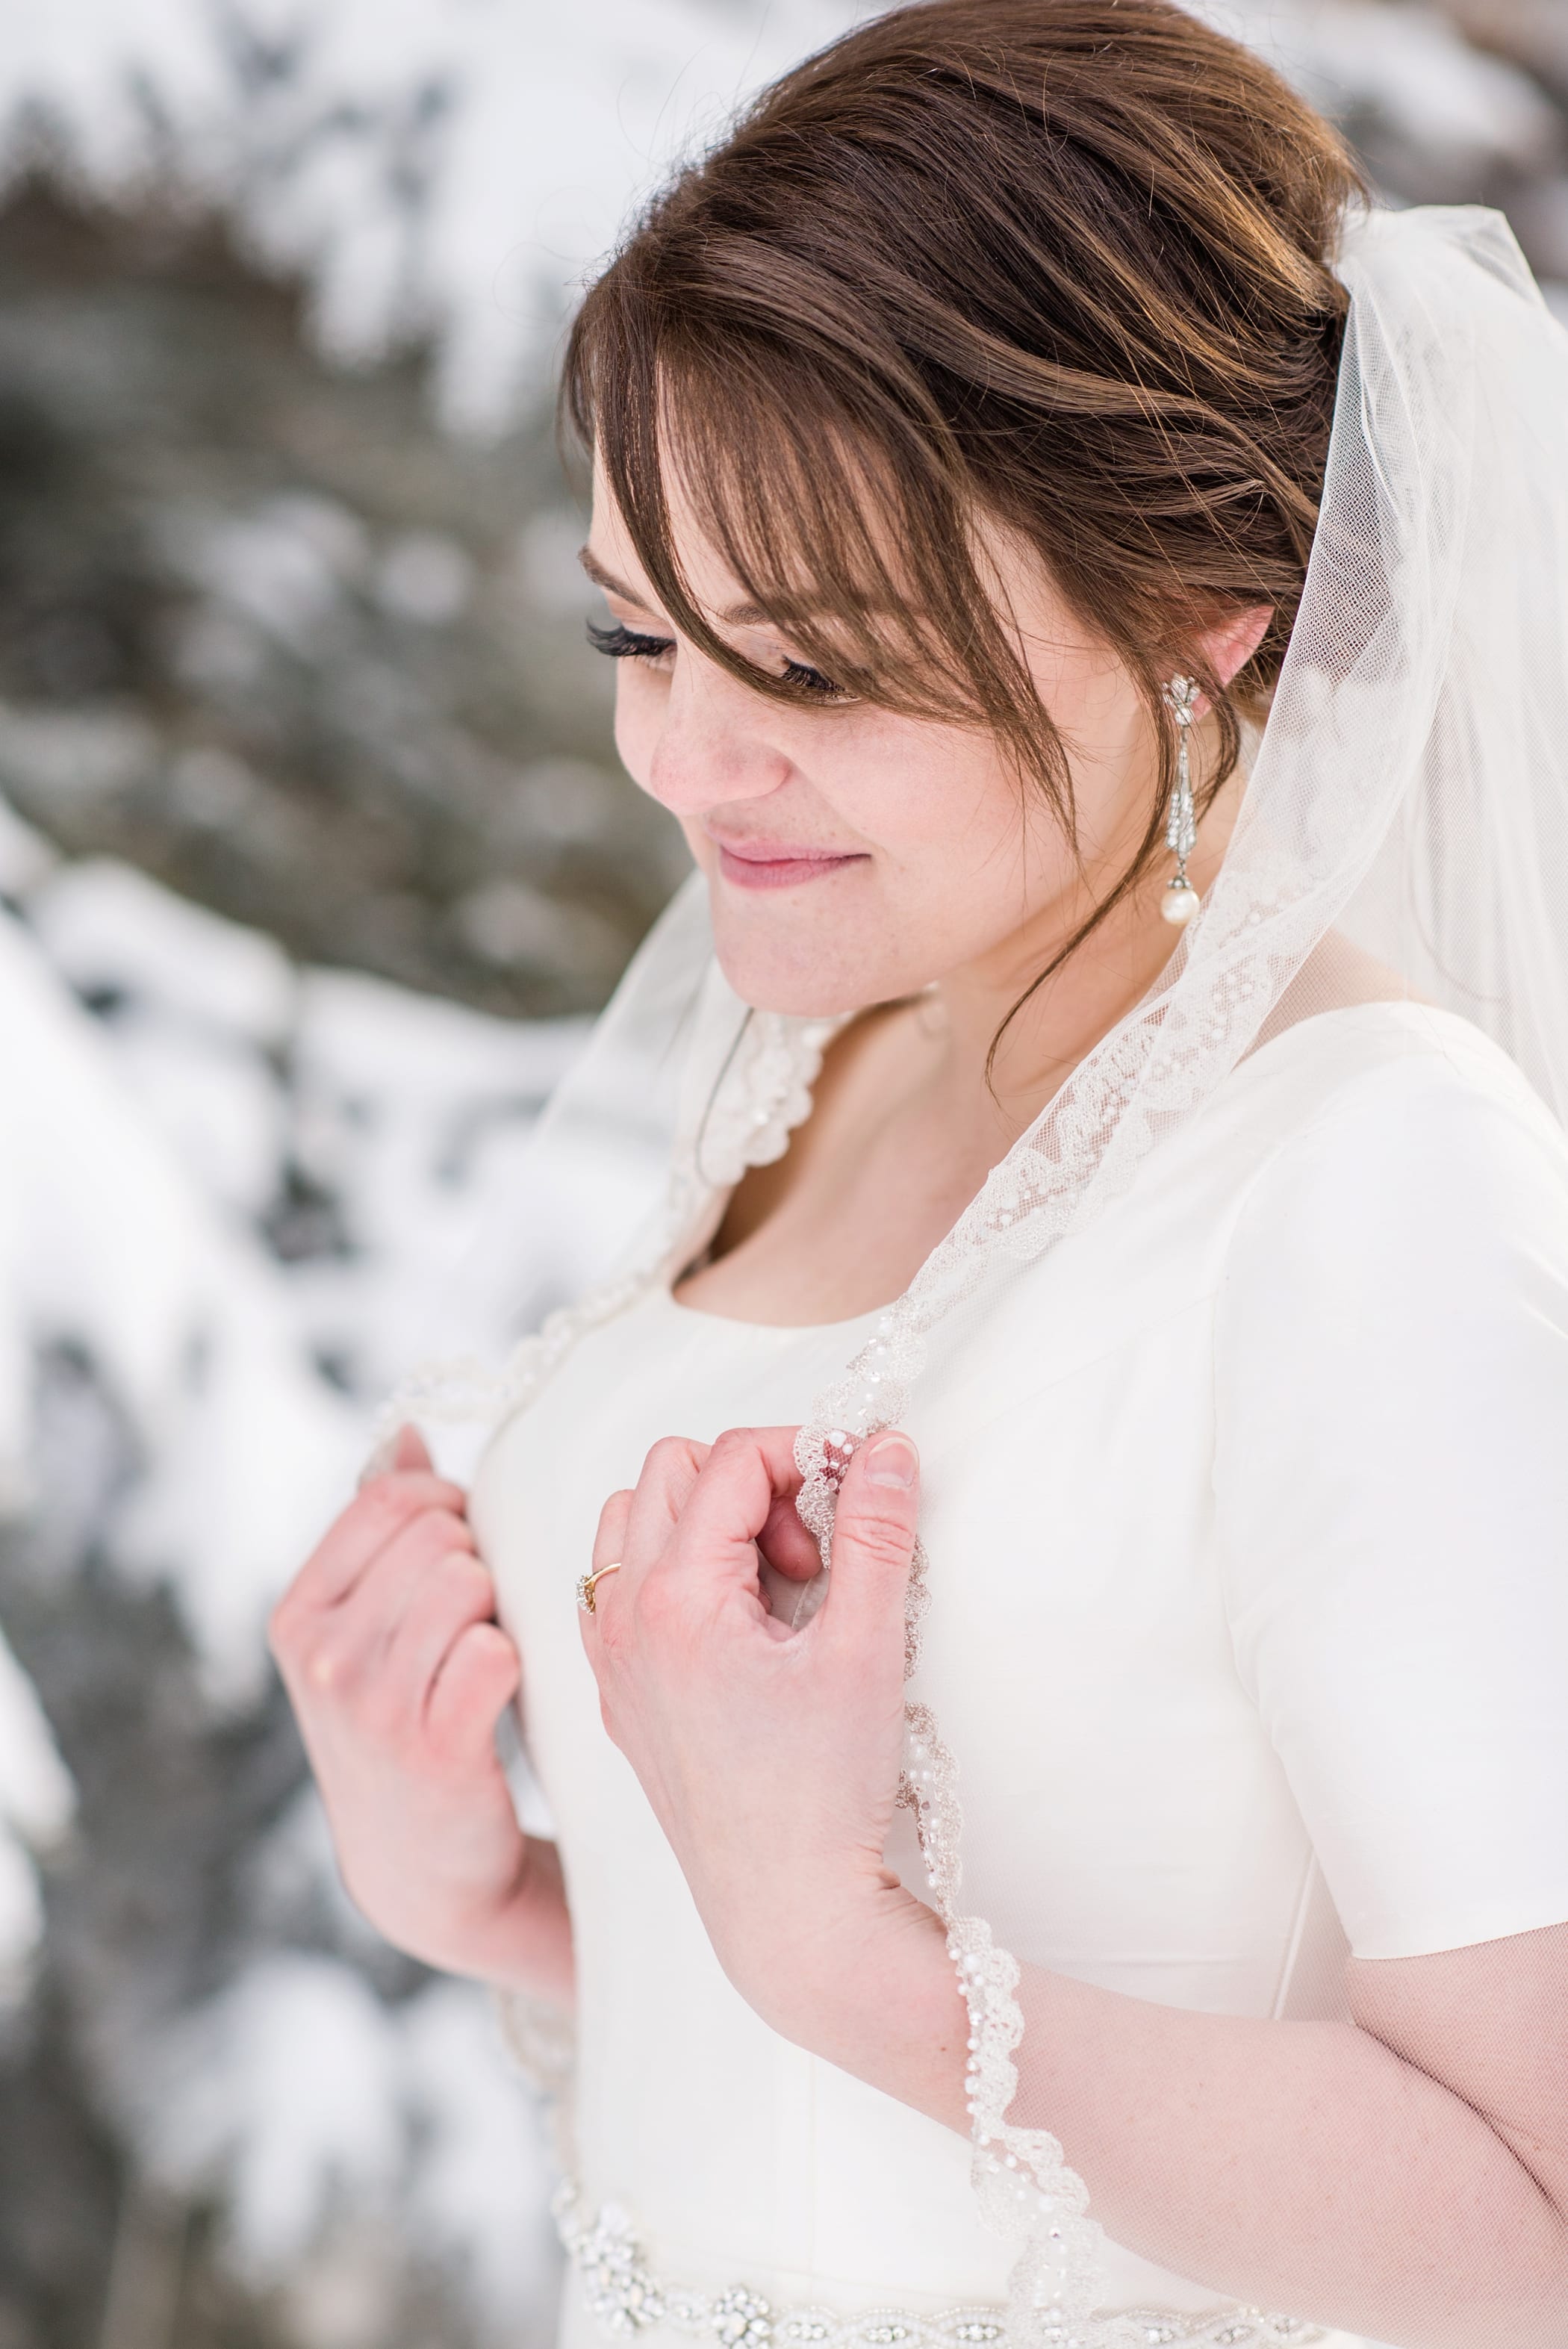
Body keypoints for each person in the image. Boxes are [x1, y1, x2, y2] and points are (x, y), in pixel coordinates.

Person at [267, 5, 1568, 2346]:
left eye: (821, 665)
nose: (680, 752)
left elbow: (1540, 2225)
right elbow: (828, 2173)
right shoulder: (845, 1045)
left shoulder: (1373, 1183)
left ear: (1206, 607)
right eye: (631, 626)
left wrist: (831, 1944)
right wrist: (499, 1898)